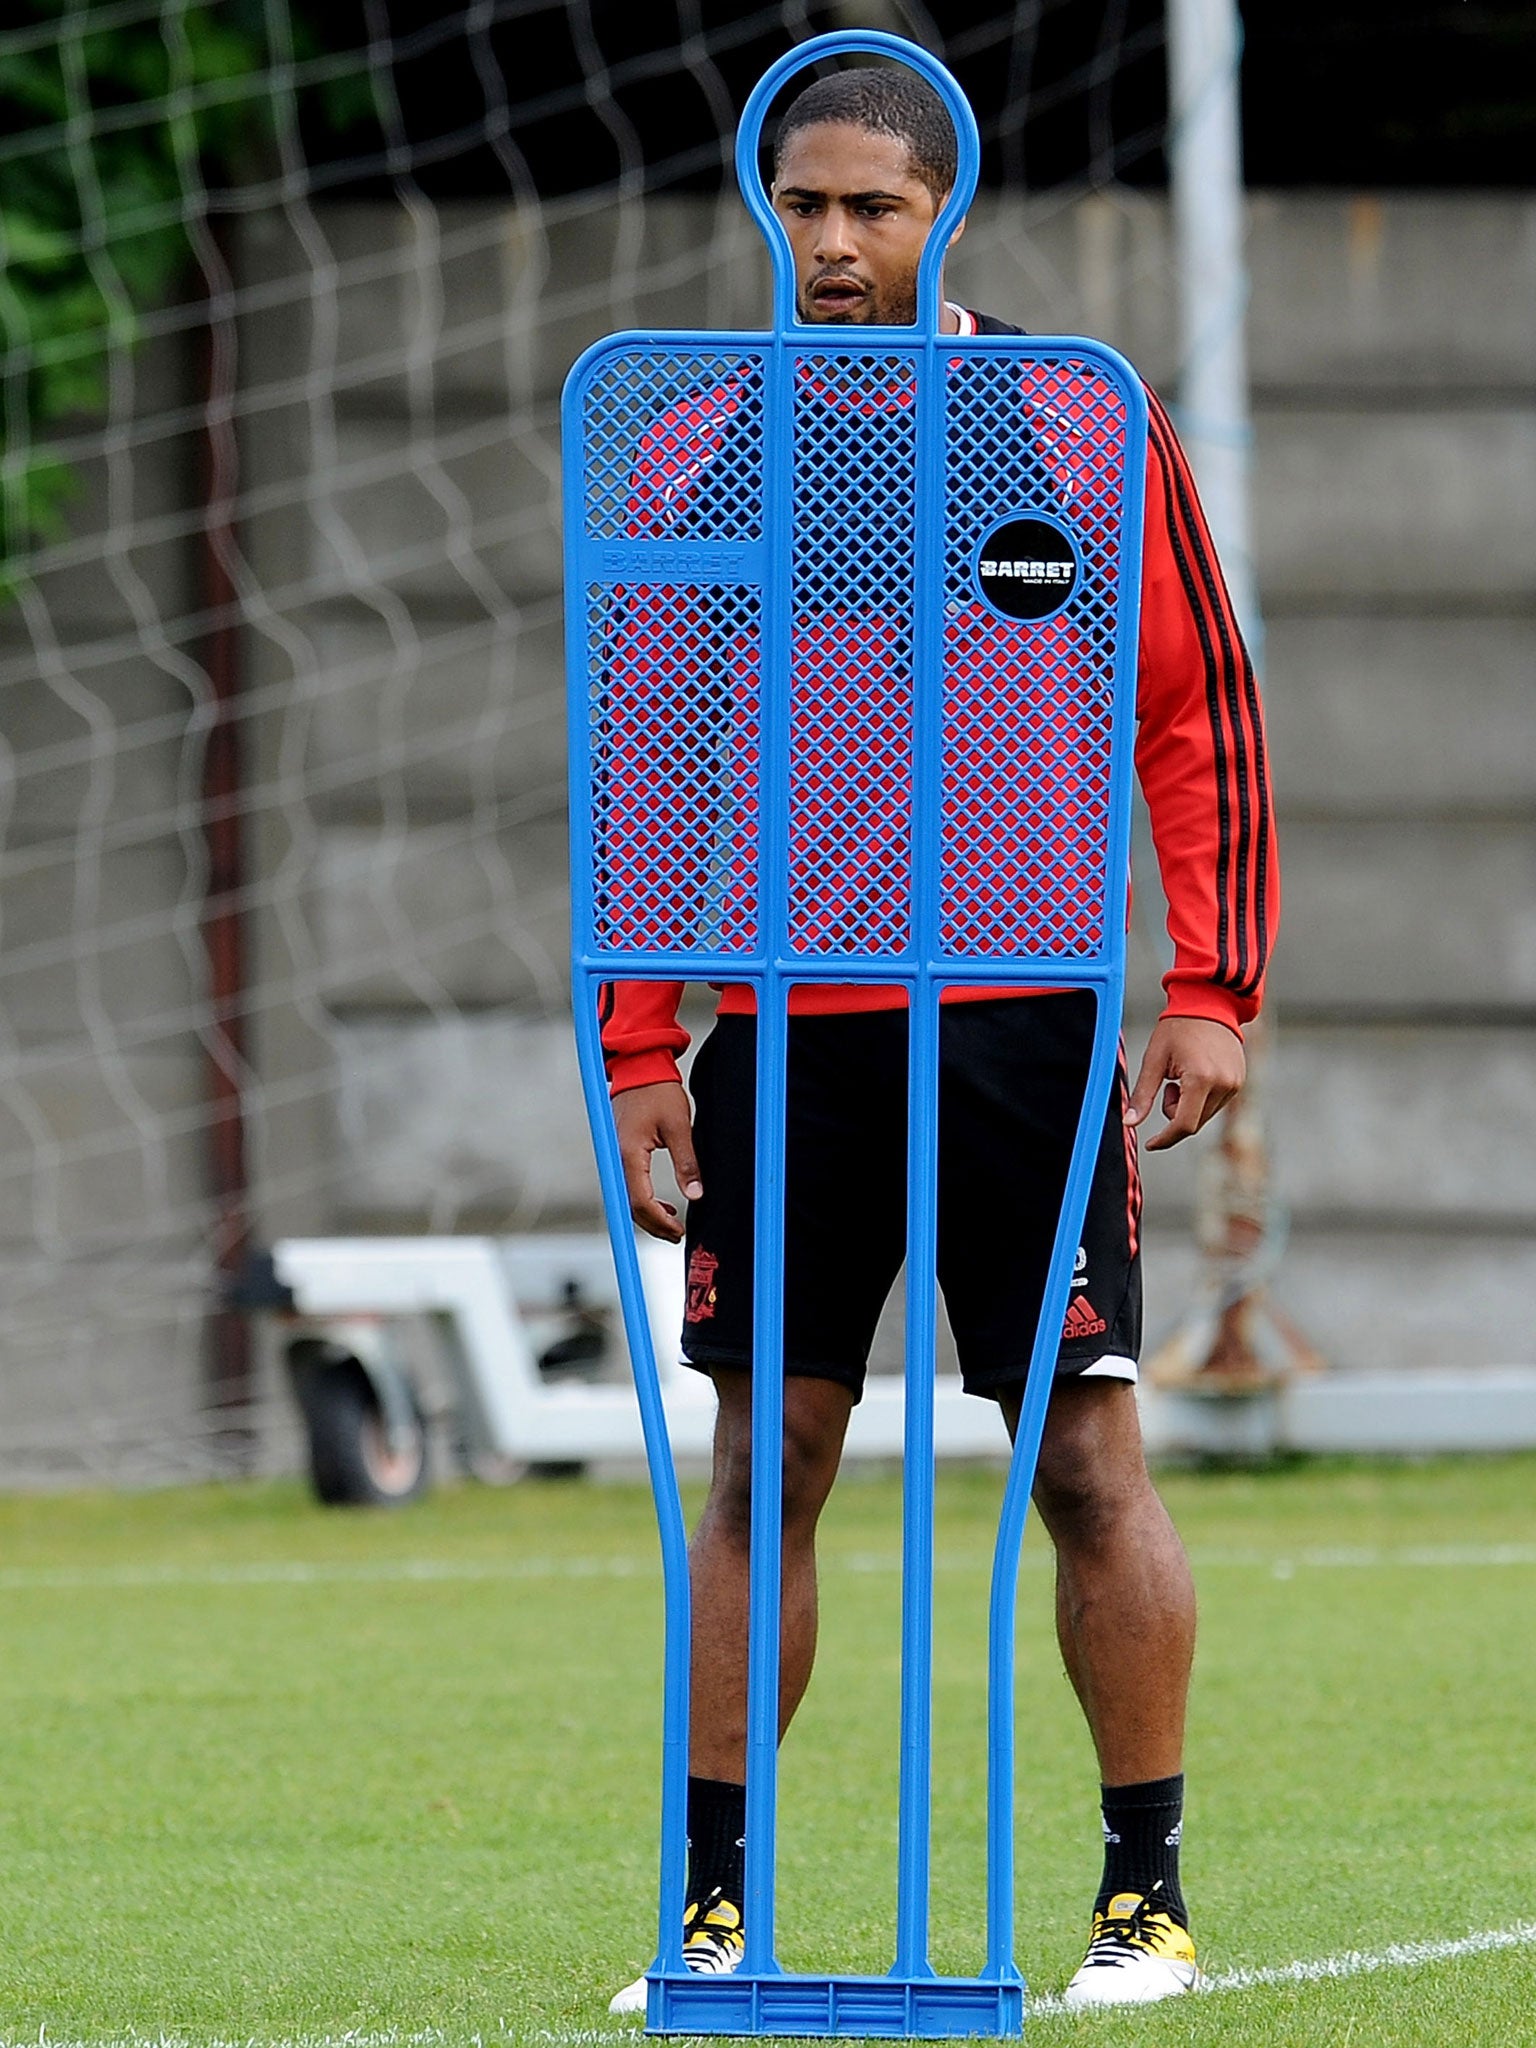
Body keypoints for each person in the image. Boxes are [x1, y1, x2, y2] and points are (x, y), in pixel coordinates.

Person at [603, 64, 1277, 2013]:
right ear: (764, 204)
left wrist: (1210, 987)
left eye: (870, 209)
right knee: (768, 1457)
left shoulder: (1072, 418)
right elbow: (645, 763)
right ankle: (714, 1910)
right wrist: (647, 1045)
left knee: (1081, 1455)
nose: (831, 244)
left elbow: (1192, 708)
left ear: (943, 206)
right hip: (794, 1031)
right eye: (802, 206)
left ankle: (1139, 1899)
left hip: (1025, 1025)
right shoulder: (704, 450)